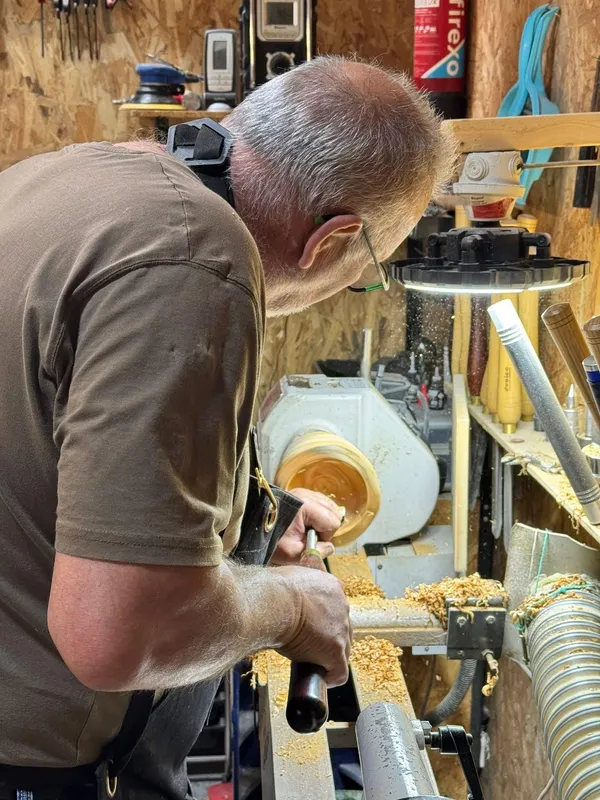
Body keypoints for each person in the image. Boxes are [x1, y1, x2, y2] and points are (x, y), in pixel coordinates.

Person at [0, 56, 454, 799]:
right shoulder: (194, 260)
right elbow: (117, 635)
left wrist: (250, 513)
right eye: (371, 259)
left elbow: (49, 445)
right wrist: (292, 607)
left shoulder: (75, 179)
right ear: (332, 240)